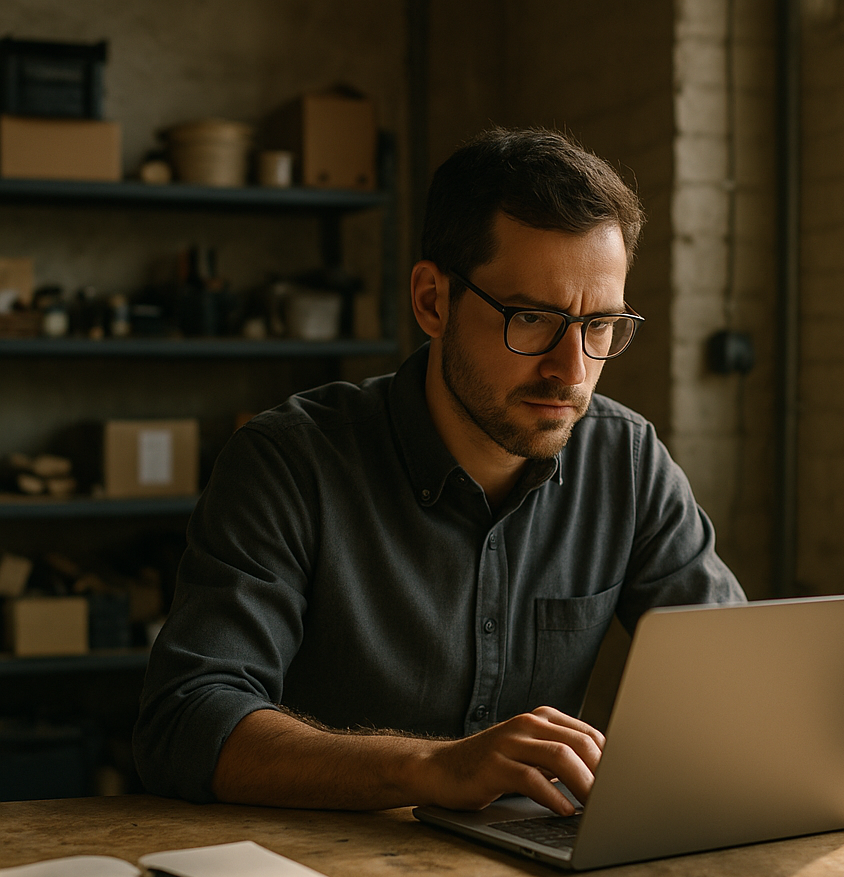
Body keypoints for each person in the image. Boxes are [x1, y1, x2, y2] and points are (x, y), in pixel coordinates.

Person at [133, 127, 744, 817]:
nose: (571, 370)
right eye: (532, 318)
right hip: (318, 866)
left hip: (528, 866)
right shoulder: (289, 463)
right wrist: (429, 768)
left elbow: (739, 679)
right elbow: (185, 722)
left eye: (599, 325)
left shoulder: (626, 462)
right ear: (433, 301)